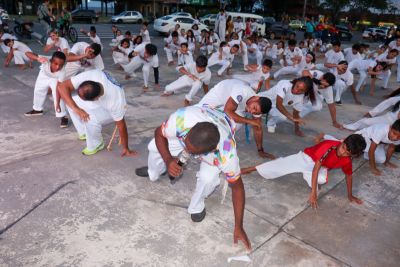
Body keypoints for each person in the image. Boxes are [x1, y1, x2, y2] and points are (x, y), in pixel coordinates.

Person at [135, 105, 251, 251]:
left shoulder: (226, 154)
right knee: (153, 146)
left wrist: (238, 225)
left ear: (209, 151)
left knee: (208, 178)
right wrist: (169, 160)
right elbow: (159, 133)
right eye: (187, 145)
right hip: (197, 126)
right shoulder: (183, 118)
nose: (187, 152)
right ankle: (155, 171)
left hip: (220, 133)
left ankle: (197, 206)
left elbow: (238, 189)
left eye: (191, 152)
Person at [241, 133, 367, 209]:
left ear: (353, 155)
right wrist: (313, 193)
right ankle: (250, 169)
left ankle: (310, 179)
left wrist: (350, 195)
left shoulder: (347, 160)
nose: (342, 152)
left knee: (321, 180)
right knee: (279, 166)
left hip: (320, 166)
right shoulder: (329, 146)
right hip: (306, 159)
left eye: (347, 153)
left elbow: (349, 176)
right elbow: (316, 167)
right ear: (343, 141)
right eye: (343, 147)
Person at [58, 69, 138, 157]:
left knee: (90, 118)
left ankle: (97, 143)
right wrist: (76, 109)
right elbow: (61, 86)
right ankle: (84, 132)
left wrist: (126, 148)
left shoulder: (115, 101)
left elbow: (121, 125)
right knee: (71, 102)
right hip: (102, 100)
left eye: (84, 99)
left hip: (110, 111)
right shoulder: (93, 74)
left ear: (95, 99)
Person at [198, 79, 273, 158]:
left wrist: (260, 150)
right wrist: (250, 121)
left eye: (256, 112)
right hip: (220, 94)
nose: (251, 111)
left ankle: (222, 149)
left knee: (231, 127)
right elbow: (227, 111)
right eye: (254, 107)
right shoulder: (242, 91)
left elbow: (258, 128)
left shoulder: (258, 108)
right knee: (199, 113)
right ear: (256, 98)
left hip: (236, 107)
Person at [327, 120, 400, 176]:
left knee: (382, 160)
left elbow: (391, 148)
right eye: (394, 133)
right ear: (390, 128)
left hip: (374, 143)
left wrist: (387, 162)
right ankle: (327, 137)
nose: (395, 138)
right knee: (344, 146)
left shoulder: (398, 138)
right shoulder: (381, 130)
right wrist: (373, 168)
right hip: (362, 137)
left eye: (398, 137)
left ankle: (365, 153)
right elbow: (371, 150)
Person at [24, 51, 69, 128]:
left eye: (60, 65)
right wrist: (38, 58)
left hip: (55, 79)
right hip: (43, 76)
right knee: (38, 91)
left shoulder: (62, 72)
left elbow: (59, 88)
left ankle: (63, 116)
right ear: (51, 61)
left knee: (57, 94)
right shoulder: (46, 60)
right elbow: (27, 53)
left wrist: (57, 103)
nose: (58, 67)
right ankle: (37, 110)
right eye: (55, 64)